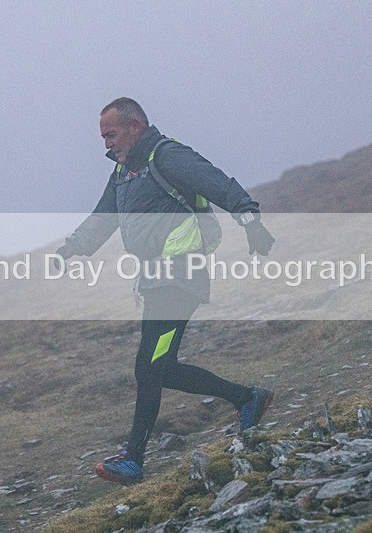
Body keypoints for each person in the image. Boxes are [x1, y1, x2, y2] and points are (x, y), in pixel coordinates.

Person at [55, 97, 275, 485]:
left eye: (111, 134)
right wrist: (72, 249)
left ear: (135, 126)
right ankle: (246, 398)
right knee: (162, 367)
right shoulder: (124, 173)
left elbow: (216, 182)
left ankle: (134, 459)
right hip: (156, 282)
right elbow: (102, 217)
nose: (106, 143)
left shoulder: (166, 156)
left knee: (149, 366)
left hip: (181, 278)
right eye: (103, 136)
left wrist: (249, 219)